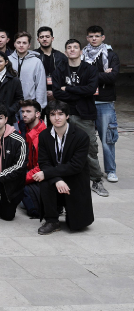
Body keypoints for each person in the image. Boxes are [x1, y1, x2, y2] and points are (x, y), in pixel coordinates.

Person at [52, 39, 108, 197]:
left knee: (90, 148)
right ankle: (64, 178)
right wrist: (79, 92)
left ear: (81, 51)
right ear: (65, 52)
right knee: (62, 148)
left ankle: (97, 180)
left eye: (75, 47)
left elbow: (90, 90)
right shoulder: (59, 70)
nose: (72, 50)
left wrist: (69, 89)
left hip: (85, 115)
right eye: (69, 47)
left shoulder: (89, 69)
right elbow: (57, 93)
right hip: (64, 115)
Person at [36, 100, 94, 234]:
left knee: (78, 225)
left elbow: (76, 166)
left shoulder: (81, 136)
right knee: (45, 181)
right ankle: (52, 220)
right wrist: (57, 179)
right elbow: (44, 162)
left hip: (75, 177)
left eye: (60, 114)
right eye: (52, 114)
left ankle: (73, 214)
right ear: (48, 117)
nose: (57, 118)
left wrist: (50, 173)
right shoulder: (44, 135)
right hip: (55, 175)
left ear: (67, 116)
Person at [83, 25, 120, 183]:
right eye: (91, 36)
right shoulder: (81, 54)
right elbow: (80, 76)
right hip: (86, 101)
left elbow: (112, 77)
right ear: (87, 38)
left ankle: (111, 170)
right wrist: (101, 74)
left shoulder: (111, 55)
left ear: (103, 37)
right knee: (86, 140)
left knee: (107, 140)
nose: (94, 39)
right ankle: (88, 170)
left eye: (97, 36)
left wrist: (91, 75)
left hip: (105, 102)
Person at [19, 99, 46, 218]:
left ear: (37, 114)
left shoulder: (43, 135)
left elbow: (42, 167)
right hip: (28, 170)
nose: (24, 114)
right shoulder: (24, 129)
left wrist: (20, 179)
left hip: (40, 176)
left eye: (28, 111)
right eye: (23, 111)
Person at [9, 32, 47, 111]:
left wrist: (39, 106)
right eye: (18, 42)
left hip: (30, 103)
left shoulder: (36, 62)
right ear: (14, 44)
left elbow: (40, 85)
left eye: (24, 43)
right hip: (11, 103)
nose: (21, 45)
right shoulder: (8, 60)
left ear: (29, 45)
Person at [37, 26, 66, 103]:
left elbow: (65, 76)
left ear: (52, 38)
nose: (44, 39)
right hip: (38, 95)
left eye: (47, 36)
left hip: (58, 95)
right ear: (38, 40)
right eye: (41, 37)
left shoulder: (61, 56)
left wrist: (56, 92)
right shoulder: (34, 56)